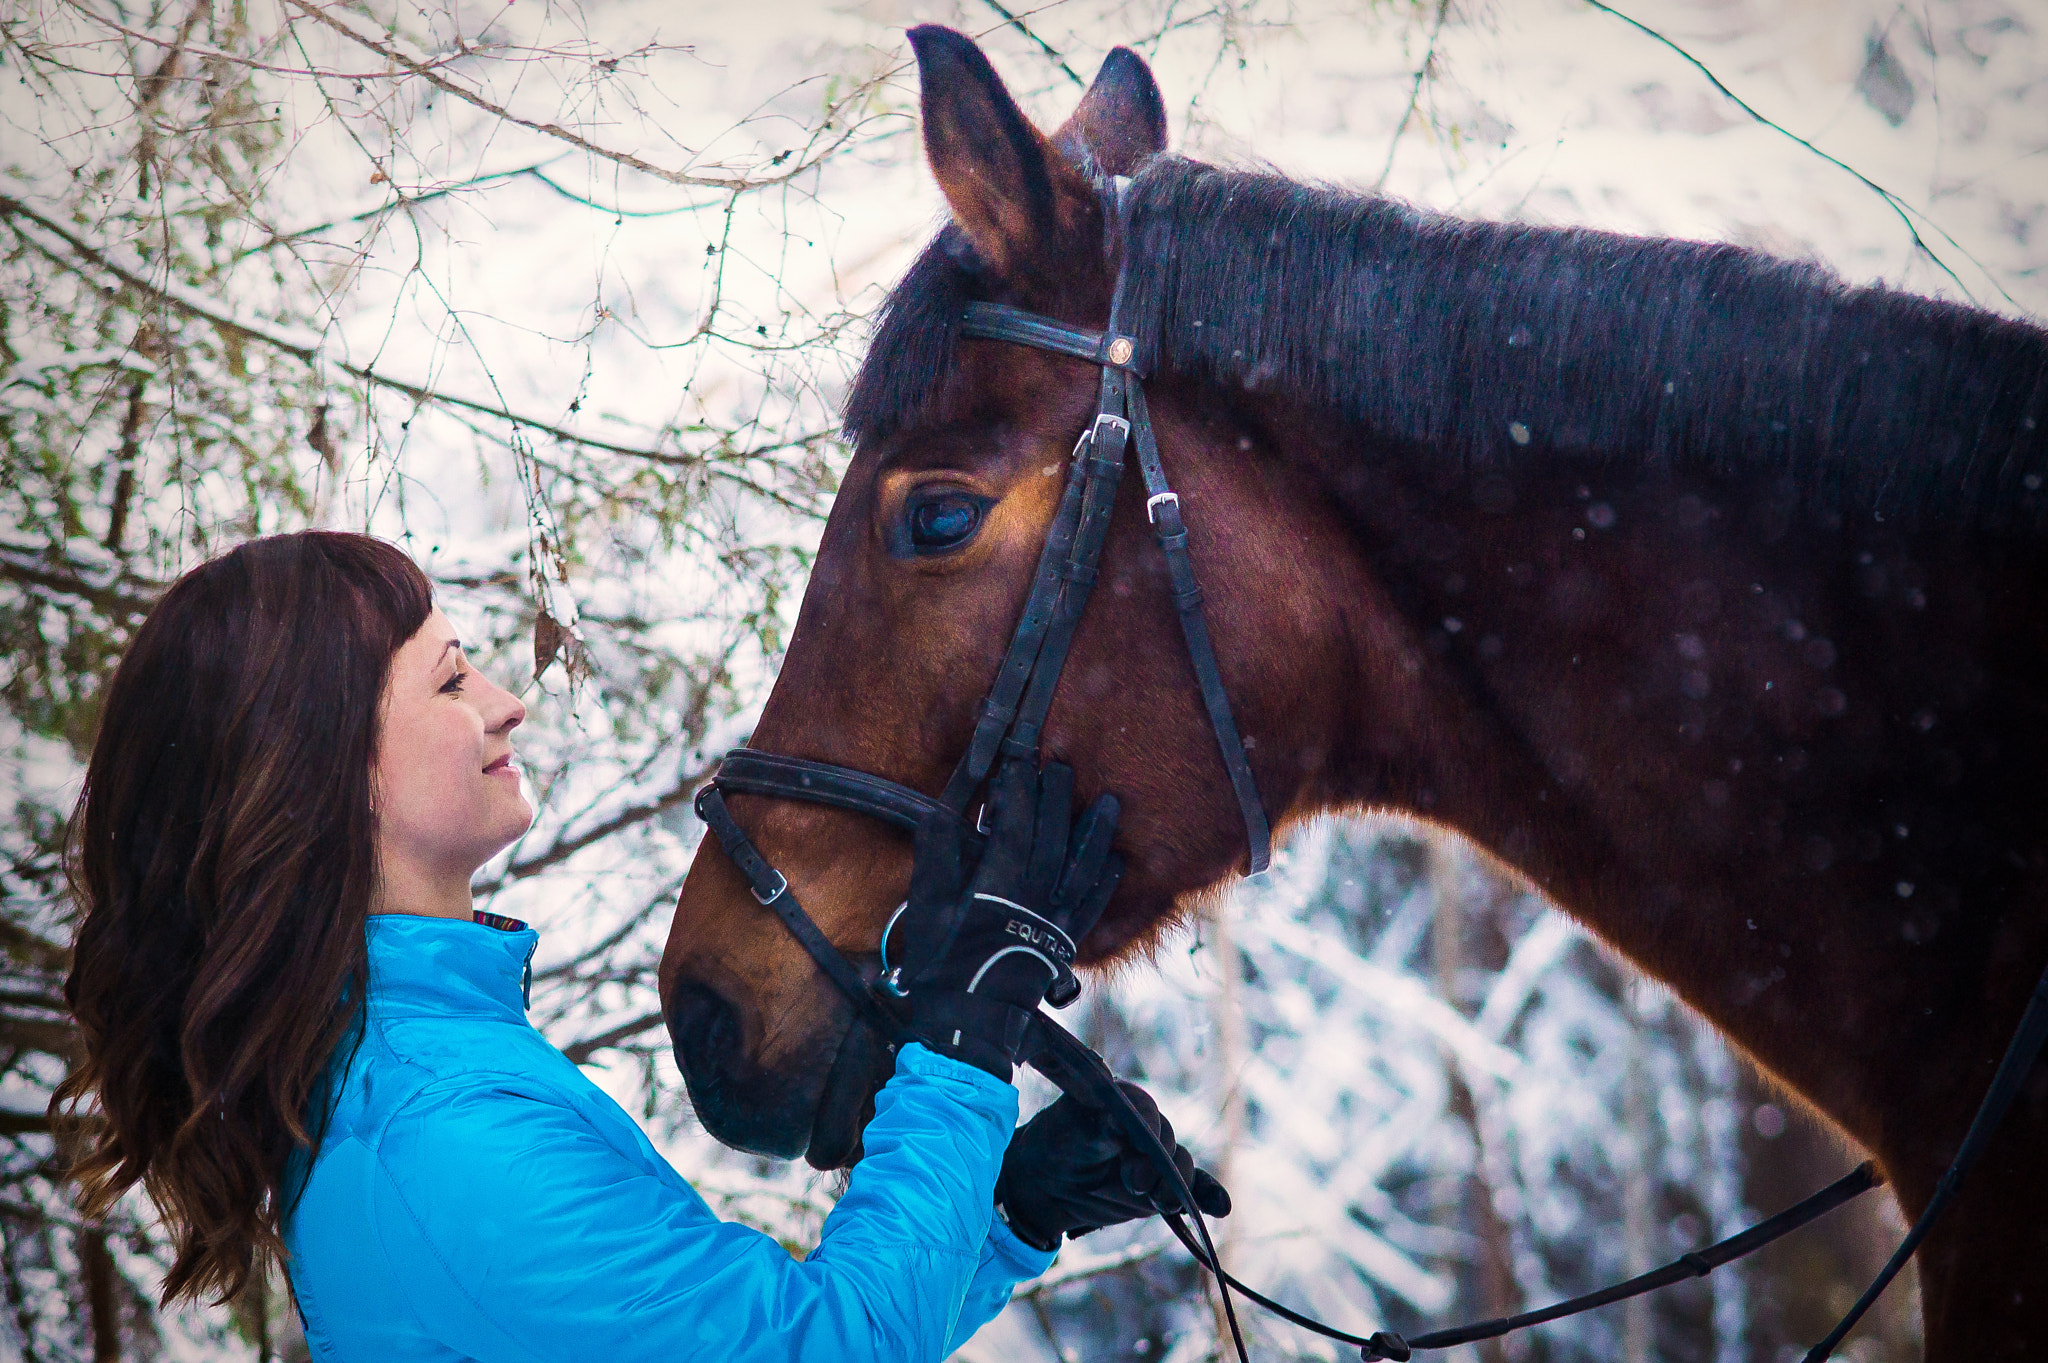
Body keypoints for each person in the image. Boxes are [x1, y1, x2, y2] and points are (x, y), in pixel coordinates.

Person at [54, 530, 1225, 1361]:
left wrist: (1007, 1210)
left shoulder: (428, 1073)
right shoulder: (437, 1139)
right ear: (322, 777)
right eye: (450, 677)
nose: (507, 699)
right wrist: (963, 1041)